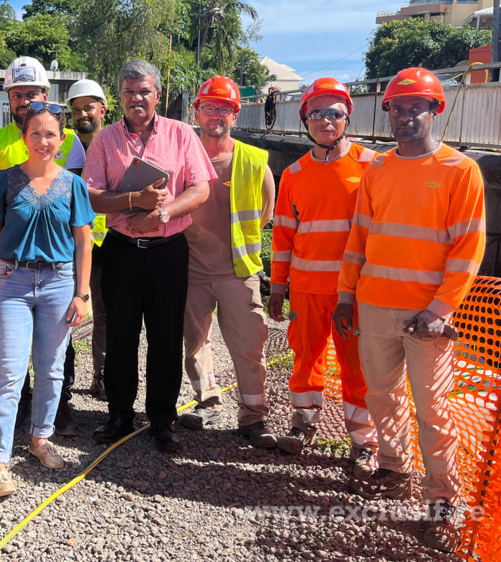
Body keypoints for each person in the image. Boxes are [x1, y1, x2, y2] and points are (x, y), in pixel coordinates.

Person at [333, 67, 486, 553]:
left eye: (414, 107)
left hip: (428, 318)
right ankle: (396, 471)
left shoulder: (460, 171)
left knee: (433, 412)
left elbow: (467, 248)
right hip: (375, 306)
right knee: (384, 397)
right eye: (396, 109)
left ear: (435, 109)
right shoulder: (376, 169)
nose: (404, 117)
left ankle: (443, 503)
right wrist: (345, 294)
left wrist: (441, 308)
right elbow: (359, 238)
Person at [84, 59, 213, 453]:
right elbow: (90, 194)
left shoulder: (181, 135)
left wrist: (161, 213)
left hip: (168, 251)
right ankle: (120, 414)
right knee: (121, 335)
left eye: (144, 91)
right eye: (128, 92)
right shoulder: (106, 140)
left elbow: (200, 188)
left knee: (165, 336)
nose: (136, 98)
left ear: (159, 94)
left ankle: (161, 417)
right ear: (119, 97)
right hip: (122, 252)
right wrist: (131, 201)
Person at [0, 102, 94, 497]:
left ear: (62, 141)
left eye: (50, 134)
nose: (43, 141)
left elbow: (83, 242)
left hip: (60, 283)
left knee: (52, 368)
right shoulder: (7, 181)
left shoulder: (74, 186)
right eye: (35, 133)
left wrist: (82, 293)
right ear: (24, 138)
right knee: (7, 372)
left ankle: (40, 439)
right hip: (10, 281)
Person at [268, 77, 378, 475]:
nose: (325, 120)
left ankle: (364, 443)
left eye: (334, 113)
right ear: (305, 120)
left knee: (357, 366)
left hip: (355, 292)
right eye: (317, 113)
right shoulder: (294, 174)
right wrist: (278, 286)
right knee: (305, 358)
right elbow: (282, 235)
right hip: (306, 289)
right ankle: (303, 424)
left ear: (347, 116)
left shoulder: (371, 166)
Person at [0, 56, 86, 436]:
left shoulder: (69, 143)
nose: (25, 101)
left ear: (45, 93)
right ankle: (4, 443)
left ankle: (53, 418)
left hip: (58, 268)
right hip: (13, 268)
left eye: (32, 93)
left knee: (55, 360)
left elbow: (74, 208)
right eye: (17, 94)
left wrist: (80, 288)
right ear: (9, 97)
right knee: (9, 366)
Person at [178, 76, 277, 449]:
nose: (215, 115)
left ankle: (254, 416)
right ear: (196, 111)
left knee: (250, 344)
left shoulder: (254, 162)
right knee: (194, 342)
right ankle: (207, 401)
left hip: (239, 270)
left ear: (235, 114)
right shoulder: (183, 159)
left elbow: (264, 214)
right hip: (191, 268)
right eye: (209, 107)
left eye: (224, 108)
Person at [66, 79, 108, 399]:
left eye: (88, 107)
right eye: (76, 108)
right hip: (69, 245)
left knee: (106, 313)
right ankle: (62, 383)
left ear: (102, 109)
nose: (82, 114)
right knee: (65, 310)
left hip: (107, 245)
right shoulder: (64, 144)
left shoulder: (114, 144)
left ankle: (101, 375)